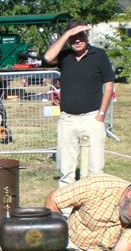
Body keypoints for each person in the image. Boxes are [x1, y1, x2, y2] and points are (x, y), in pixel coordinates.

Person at [43, 19, 115, 188]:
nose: (77, 40)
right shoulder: (64, 57)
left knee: (95, 169)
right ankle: (66, 211)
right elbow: (47, 57)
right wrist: (68, 33)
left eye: (80, 35)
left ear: (87, 35)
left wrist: (101, 115)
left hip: (92, 118)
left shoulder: (99, 55)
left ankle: (93, 208)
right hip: (67, 120)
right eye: (73, 37)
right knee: (66, 171)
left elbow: (109, 85)